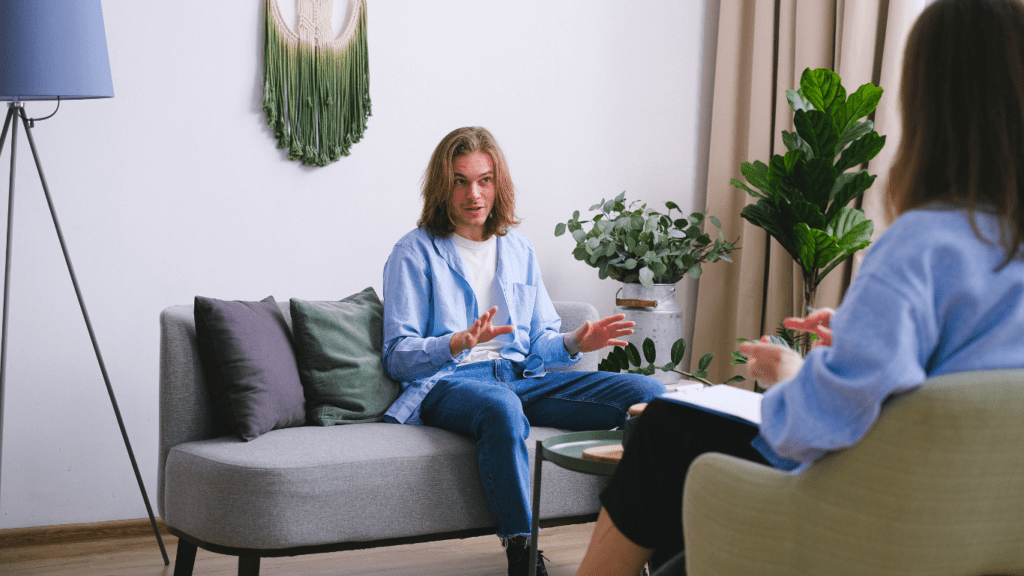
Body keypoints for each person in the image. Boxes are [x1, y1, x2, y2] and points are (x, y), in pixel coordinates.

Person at [574, 0, 1024, 574]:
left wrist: (791, 375)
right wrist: (861, 336)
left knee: (664, 431)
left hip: (874, 513)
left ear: (929, 105)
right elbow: (967, 387)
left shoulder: (922, 244)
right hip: (975, 522)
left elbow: (821, 422)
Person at [380, 126, 666, 576]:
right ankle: (523, 553)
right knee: (501, 408)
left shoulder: (519, 249)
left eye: (484, 180)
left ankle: (645, 543)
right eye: (460, 181)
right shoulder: (413, 253)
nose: (473, 193)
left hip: (520, 377)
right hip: (450, 382)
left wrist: (575, 342)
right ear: (443, 186)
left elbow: (540, 341)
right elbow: (397, 355)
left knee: (648, 393)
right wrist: (455, 342)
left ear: (498, 184)